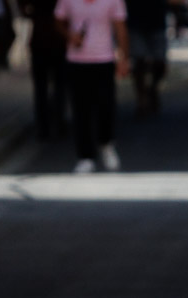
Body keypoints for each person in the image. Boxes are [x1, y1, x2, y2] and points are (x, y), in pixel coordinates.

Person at [54, 0, 130, 174]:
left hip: (104, 59)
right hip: (77, 62)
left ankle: (106, 143)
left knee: (106, 106)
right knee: (80, 109)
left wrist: (124, 58)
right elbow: (58, 21)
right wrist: (70, 35)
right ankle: (85, 156)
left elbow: (120, 28)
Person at [18, 0, 68, 139]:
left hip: (44, 42)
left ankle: (45, 125)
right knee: (57, 86)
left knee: (43, 88)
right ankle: (56, 122)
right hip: (53, 43)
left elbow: (23, 8)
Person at [126, 0, 169, 118]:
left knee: (160, 63)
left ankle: (152, 89)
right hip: (135, 22)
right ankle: (141, 99)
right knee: (138, 61)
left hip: (157, 22)